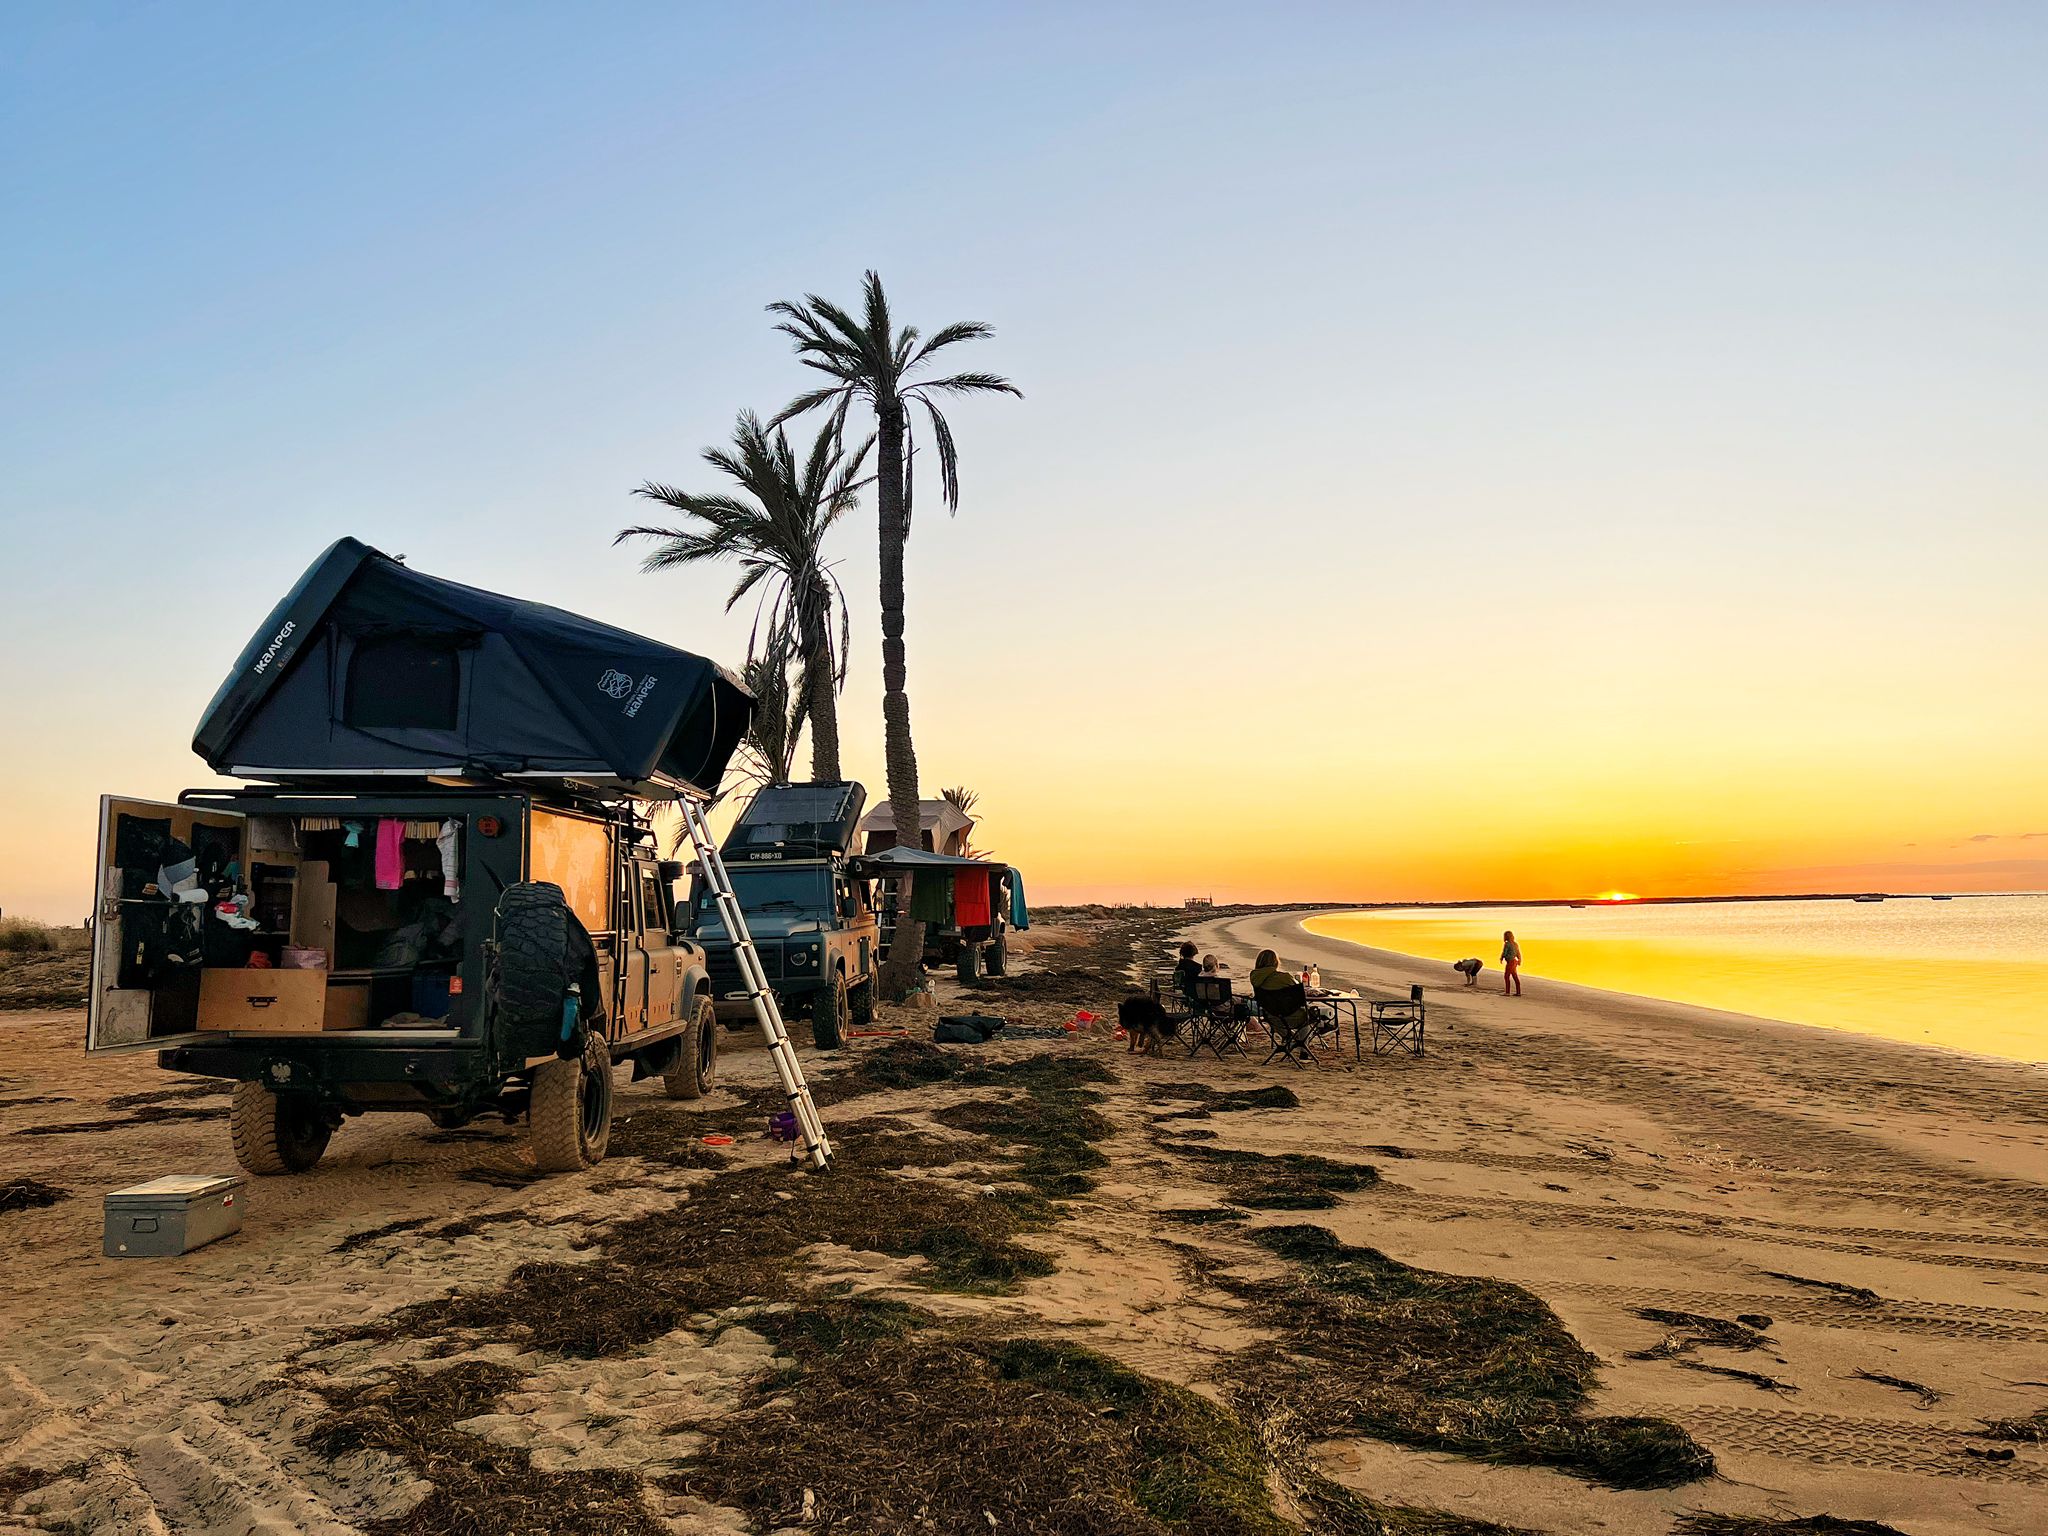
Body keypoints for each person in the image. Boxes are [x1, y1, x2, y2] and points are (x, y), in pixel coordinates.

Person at [1500, 930, 1522, 996]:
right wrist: (1519, 960)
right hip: (1515, 961)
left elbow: (1504, 952)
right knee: (1515, 976)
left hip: (1510, 962)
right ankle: (1518, 992)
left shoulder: (1507, 944)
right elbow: (1518, 953)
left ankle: (1507, 992)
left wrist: (1501, 958)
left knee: (1506, 976)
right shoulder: (1515, 944)